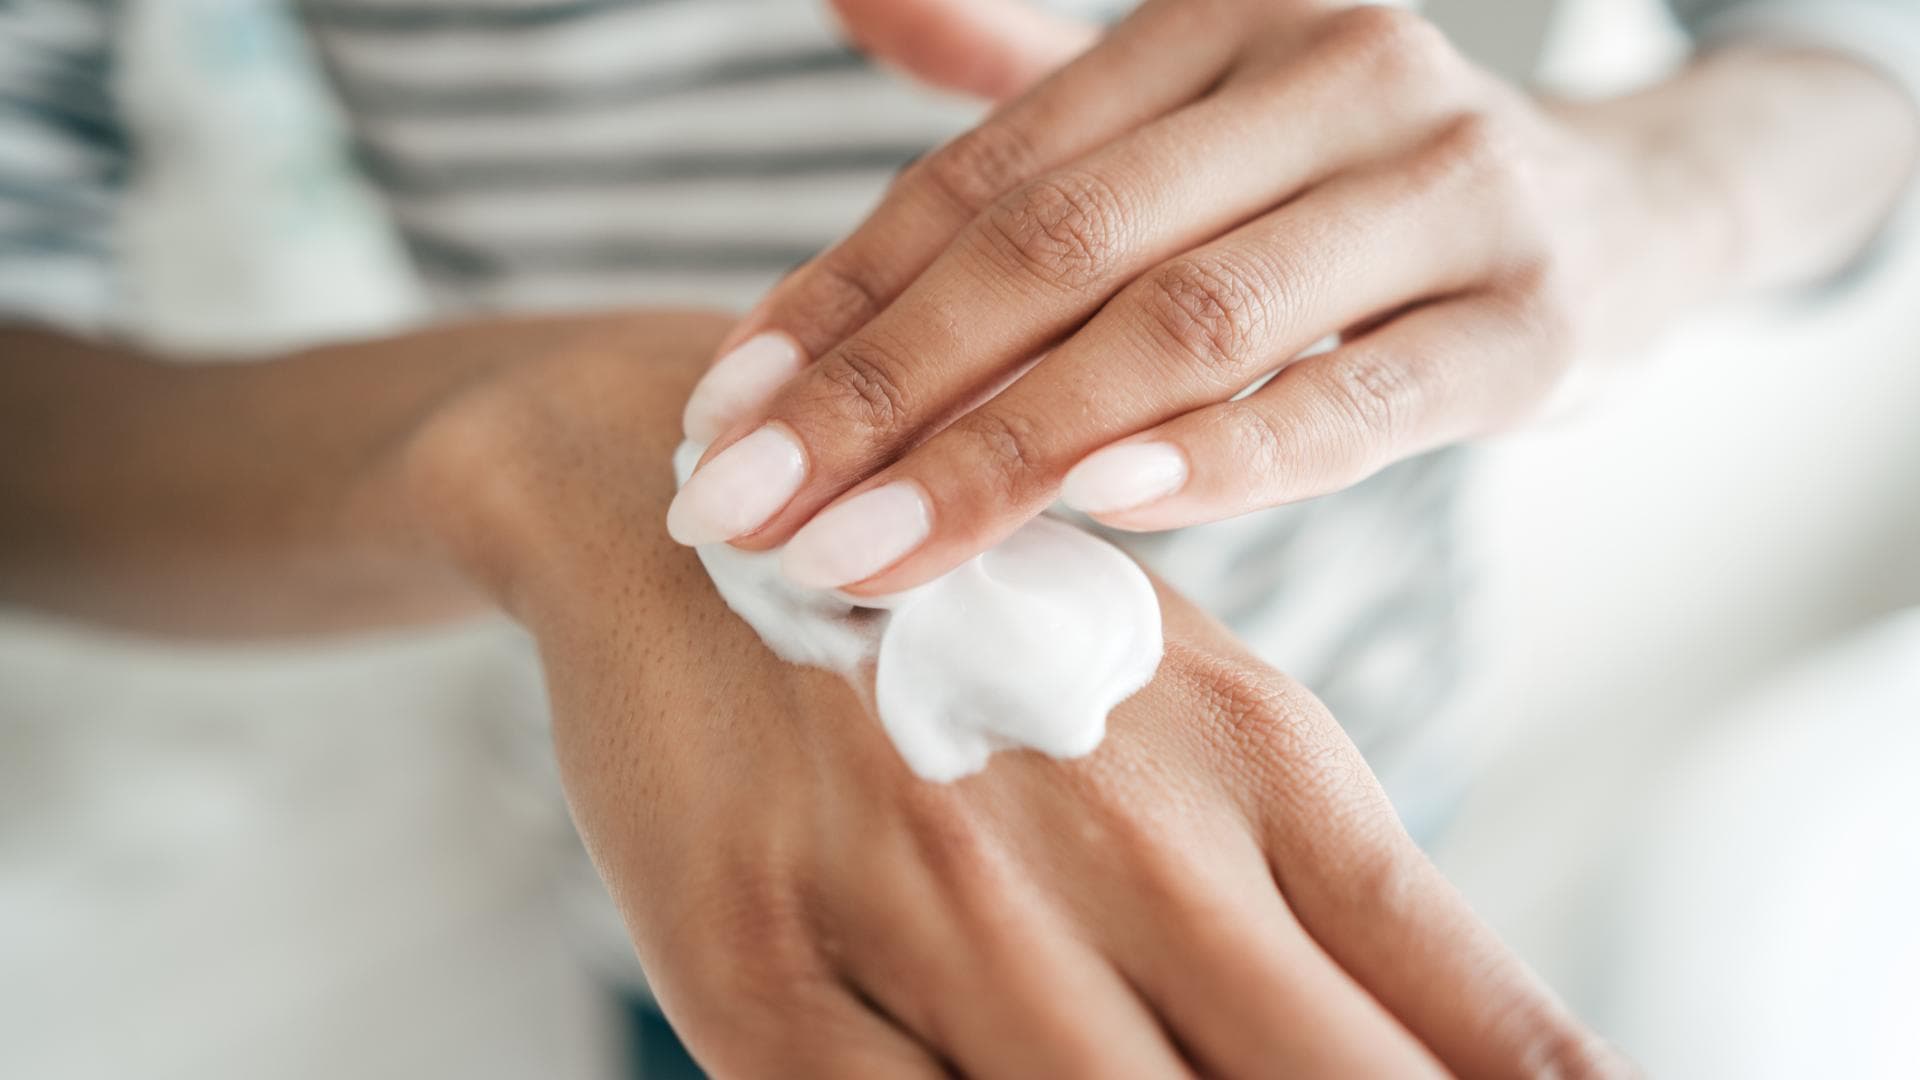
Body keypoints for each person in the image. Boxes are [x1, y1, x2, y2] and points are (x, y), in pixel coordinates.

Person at [2, 0, 1915, 1075]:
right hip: (728, 890)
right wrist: (527, 442)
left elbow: (1854, 75)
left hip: (1362, 805)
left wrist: (1657, 182)